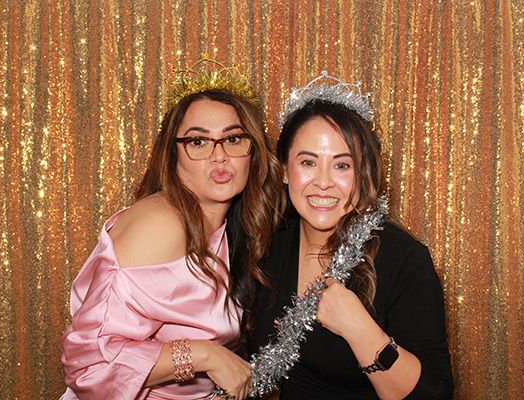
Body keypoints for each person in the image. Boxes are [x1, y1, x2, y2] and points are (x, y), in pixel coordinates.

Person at [61, 62, 281, 400]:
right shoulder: (162, 224)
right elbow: (89, 365)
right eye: (199, 141)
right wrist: (204, 356)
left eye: (233, 139)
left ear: (253, 151)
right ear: (173, 153)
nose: (219, 156)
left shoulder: (233, 225)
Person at [248, 73, 453, 399]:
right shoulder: (268, 246)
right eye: (308, 162)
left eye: (342, 165)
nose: (323, 182)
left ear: (363, 173)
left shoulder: (403, 259)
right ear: (284, 170)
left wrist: (360, 329)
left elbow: (435, 395)